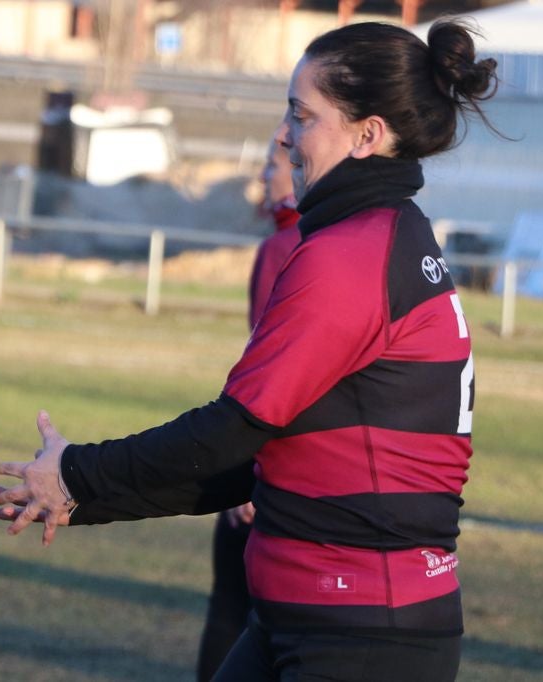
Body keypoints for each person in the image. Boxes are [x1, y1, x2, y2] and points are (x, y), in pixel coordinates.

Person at [0, 19, 496, 681]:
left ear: (368, 134)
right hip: (312, 618)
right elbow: (262, 459)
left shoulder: (352, 256)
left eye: (301, 115)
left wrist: (78, 474)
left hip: (363, 632)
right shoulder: (383, 237)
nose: (285, 135)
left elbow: (231, 432)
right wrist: (82, 498)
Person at [196, 133, 299, 682]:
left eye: (275, 166)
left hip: (275, 466)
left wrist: (255, 471)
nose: (266, 177)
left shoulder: (287, 248)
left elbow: (271, 373)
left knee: (232, 608)